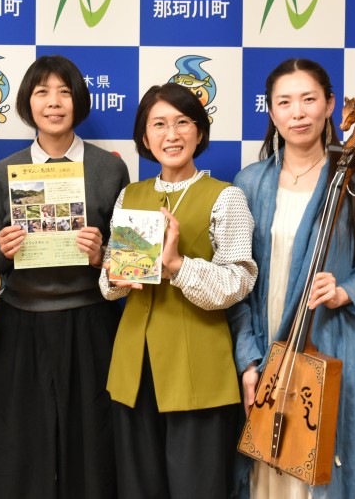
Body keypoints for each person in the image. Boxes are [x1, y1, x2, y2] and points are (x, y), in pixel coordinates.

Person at [0, 55, 130, 498]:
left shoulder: (109, 168)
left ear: (79, 101)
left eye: (64, 92)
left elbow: (128, 259)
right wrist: (1, 251)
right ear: (28, 102)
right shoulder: (6, 170)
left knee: (93, 446)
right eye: (42, 93)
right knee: (17, 449)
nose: (54, 102)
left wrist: (101, 255)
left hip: (91, 321)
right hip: (22, 322)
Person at [229, 59, 355, 498]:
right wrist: (248, 361)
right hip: (269, 346)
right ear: (271, 111)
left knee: (327, 471)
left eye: (308, 99)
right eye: (284, 102)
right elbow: (238, 284)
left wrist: (344, 291)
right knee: (271, 465)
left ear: (330, 105)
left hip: (332, 342)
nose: (297, 113)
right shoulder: (249, 183)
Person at [101, 82, 257, 499]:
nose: (171, 135)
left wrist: (176, 266)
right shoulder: (130, 195)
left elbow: (238, 281)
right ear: (144, 136)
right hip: (134, 370)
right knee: (137, 489)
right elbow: (109, 284)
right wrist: (115, 276)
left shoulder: (225, 197)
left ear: (199, 132)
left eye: (182, 122)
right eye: (159, 124)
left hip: (198, 372)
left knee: (197, 488)